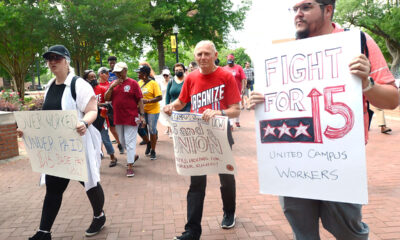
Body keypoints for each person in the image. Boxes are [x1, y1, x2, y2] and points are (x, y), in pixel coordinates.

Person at [249, 1, 399, 239]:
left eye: (306, 7)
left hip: (339, 161)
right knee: (303, 233)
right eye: (294, 8)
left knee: (349, 232)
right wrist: (258, 101)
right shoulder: (284, 55)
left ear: (328, 9)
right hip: (292, 161)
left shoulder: (358, 43)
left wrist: (367, 84)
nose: (297, 13)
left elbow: (392, 101)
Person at [21, 45, 106, 240]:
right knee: (53, 188)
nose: (52, 62)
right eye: (49, 59)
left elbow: (93, 110)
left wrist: (84, 122)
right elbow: (47, 117)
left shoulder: (79, 85)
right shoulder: (50, 85)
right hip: (58, 149)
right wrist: (28, 129)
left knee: (90, 185)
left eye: (56, 58)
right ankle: (44, 232)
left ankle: (99, 215)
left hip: (79, 145)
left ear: (66, 60)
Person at [164, 40, 241, 240]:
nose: (202, 58)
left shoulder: (225, 76)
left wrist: (219, 112)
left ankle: (229, 212)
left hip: (220, 133)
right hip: (197, 135)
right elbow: (182, 102)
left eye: (207, 54)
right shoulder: (191, 78)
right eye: (199, 54)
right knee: (196, 183)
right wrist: (171, 106)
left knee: (226, 178)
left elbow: (236, 109)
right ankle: (192, 231)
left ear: (216, 55)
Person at [105, 62, 144, 177]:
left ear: (125, 71)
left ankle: (130, 165)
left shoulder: (133, 83)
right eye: (116, 72)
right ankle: (133, 156)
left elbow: (140, 100)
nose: (117, 74)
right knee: (122, 141)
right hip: (118, 117)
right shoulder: (113, 84)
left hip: (131, 117)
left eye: (119, 72)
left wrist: (142, 115)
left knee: (130, 141)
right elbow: (107, 98)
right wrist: (112, 87)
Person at [136, 64, 162, 160]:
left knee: (152, 130)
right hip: (142, 110)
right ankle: (148, 143)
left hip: (152, 110)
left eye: (139, 73)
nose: (138, 74)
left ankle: (153, 150)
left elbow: (160, 97)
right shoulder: (139, 83)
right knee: (140, 128)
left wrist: (147, 101)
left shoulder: (153, 84)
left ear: (145, 74)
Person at [106, 56, 124, 155]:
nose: (112, 64)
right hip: (109, 102)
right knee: (112, 125)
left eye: (113, 62)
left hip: (119, 101)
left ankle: (124, 141)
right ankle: (119, 142)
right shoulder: (107, 73)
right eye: (110, 63)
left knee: (121, 124)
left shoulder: (119, 73)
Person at [223, 54, 246, 129]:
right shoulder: (224, 68)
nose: (230, 63)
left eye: (231, 62)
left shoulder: (238, 67)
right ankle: (230, 124)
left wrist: (243, 88)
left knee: (237, 107)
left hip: (238, 90)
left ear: (233, 60)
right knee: (229, 107)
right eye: (228, 62)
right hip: (227, 91)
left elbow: (243, 78)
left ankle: (237, 121)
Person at [158, 69, 172, 136]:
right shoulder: (160, 82)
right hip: (162, 101)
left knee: (169, 115)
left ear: (169, 75)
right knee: (164, 115)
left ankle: (170, 129)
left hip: (170, 100)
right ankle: (168, 127)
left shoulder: (171, 82)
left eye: (166, 75)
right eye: (164, 75)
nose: (165, 76)